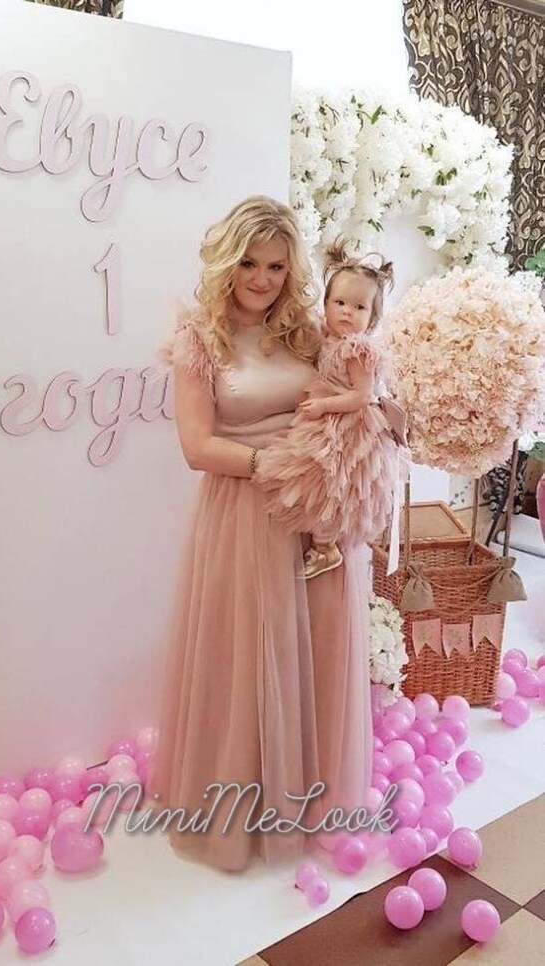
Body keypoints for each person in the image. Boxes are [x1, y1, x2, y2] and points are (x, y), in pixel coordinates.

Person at [147, 197, 372, 871]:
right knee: (249, 654)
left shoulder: (303, 331)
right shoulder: (200, 340)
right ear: (226, 261)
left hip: (314, 512)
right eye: (249, 263)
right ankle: (239, 810)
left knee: (315, 647)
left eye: (276, 266)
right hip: (244, 511)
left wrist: (351, 445)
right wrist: (274, 466)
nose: (263, 279)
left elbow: (349, 391)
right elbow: (196, 447)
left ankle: (304, 798)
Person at [254, 240, 404, 580]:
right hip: (330, 418)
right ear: (326, 305)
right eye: (340, 303)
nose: (347, 312)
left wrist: (323, 406)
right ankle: (320, 543)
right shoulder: (330, 338)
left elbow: (362, 396)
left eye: (359, 307)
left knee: (330, 484)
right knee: (312, 480)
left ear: (373, 317)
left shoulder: (357, 349)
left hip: (347, 426)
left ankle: (325, 547)